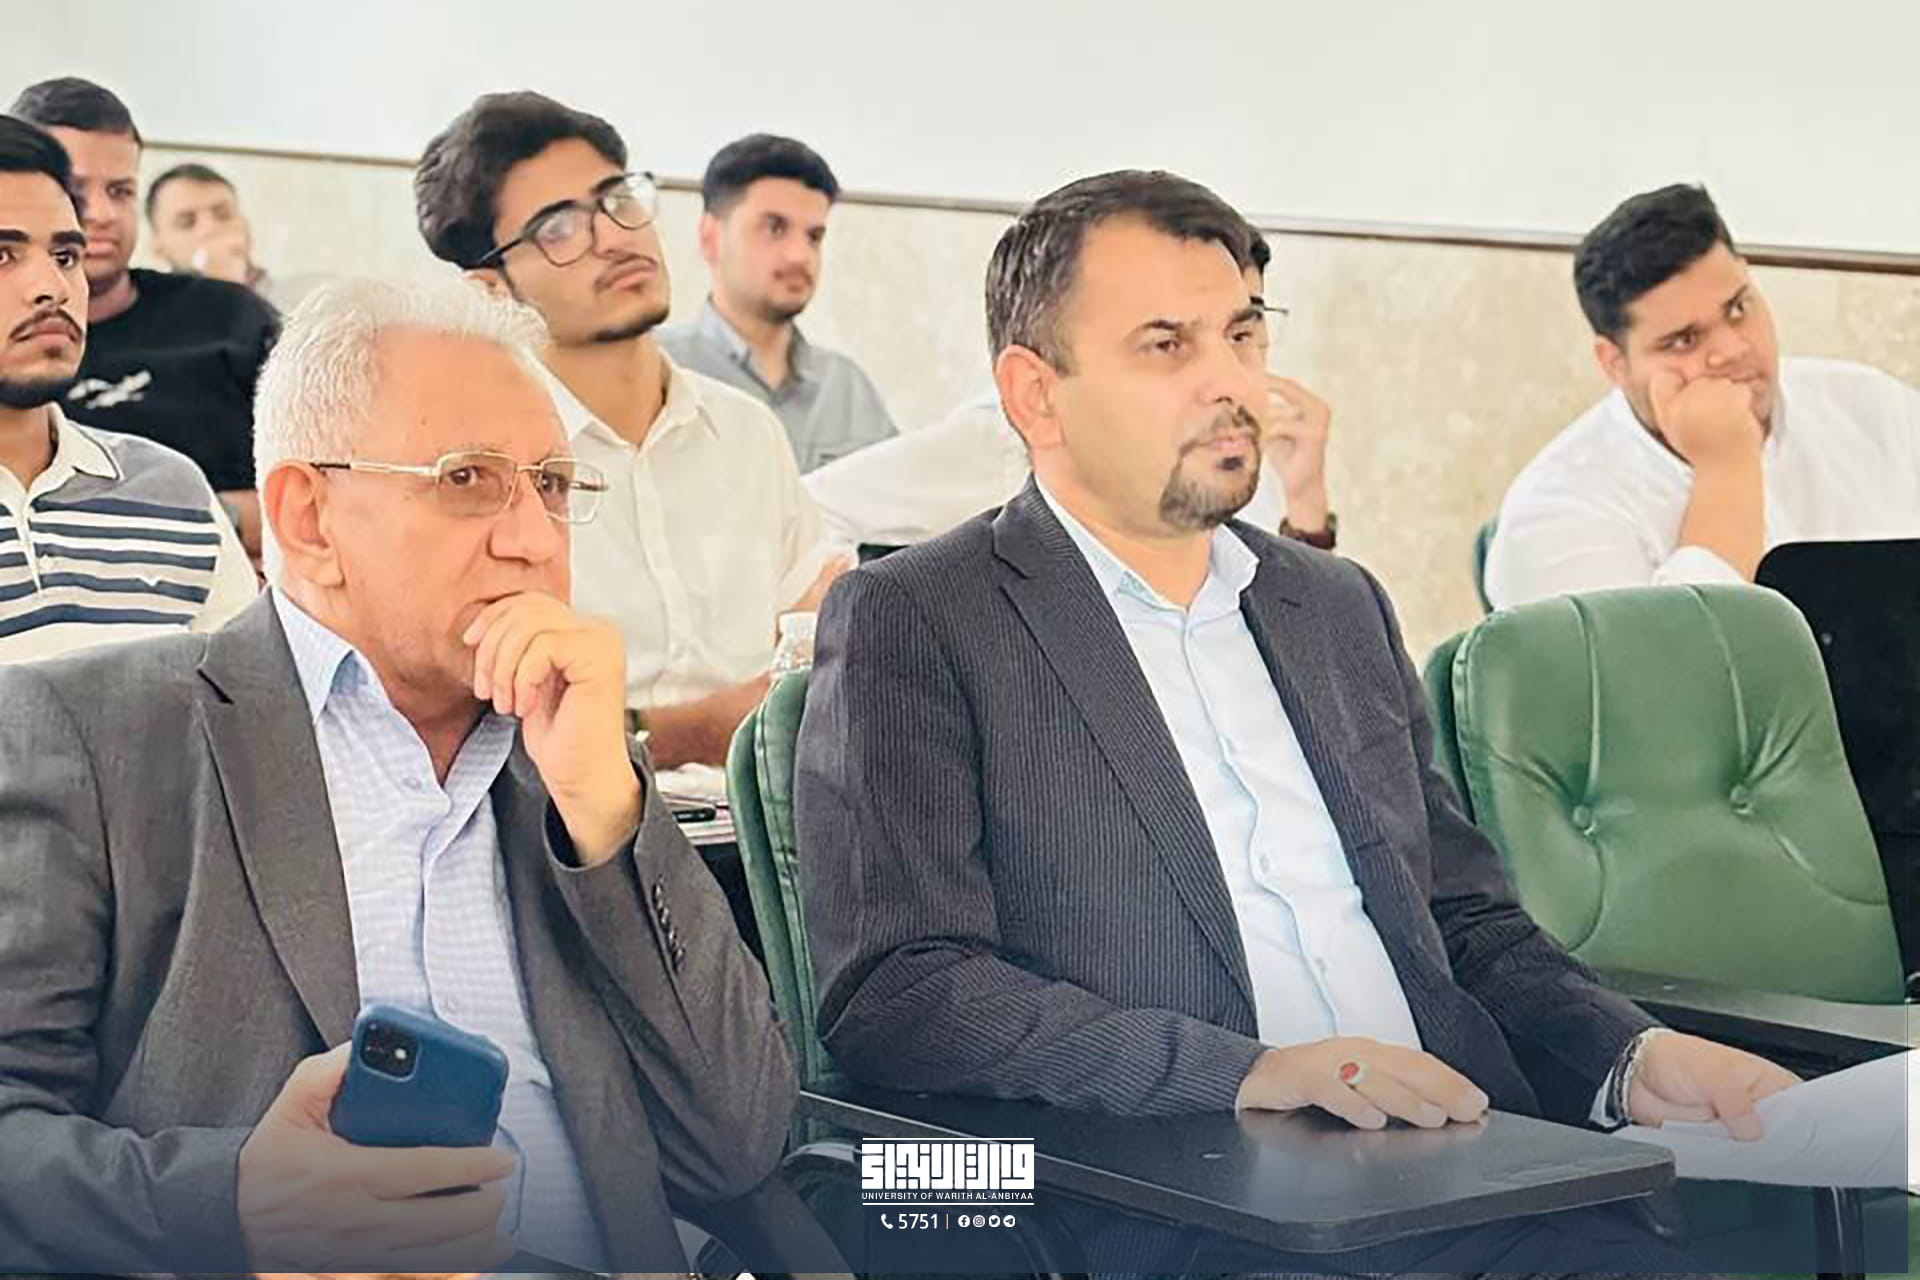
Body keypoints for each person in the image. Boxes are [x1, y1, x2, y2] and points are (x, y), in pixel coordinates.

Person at [794, 169, 1795, 1274]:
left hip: (1477, 1179)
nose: (1233, 382)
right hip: (1194, 1214)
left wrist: (1630, 1056)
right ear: (1036, 396)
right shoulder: (921, 617)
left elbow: (1463, 921)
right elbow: (902, 990)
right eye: (1167, 346)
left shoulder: (1334, 602)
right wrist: (1246, 1073)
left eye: (1243, 333)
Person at [0, 278, 795, 1274]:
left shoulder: (570, 754)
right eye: (468, 478)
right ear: (309, 518)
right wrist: (236, 1200)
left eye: (552, 485)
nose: (534, 539)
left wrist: (607, 809)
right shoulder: (94, 735)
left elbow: (738, 1142)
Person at [416, 93, 842, 769]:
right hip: (574, 824)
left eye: (618, 198)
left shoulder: (745, 431)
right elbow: (493, 725)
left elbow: (824, 656)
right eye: (558, 228)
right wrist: (699, 727)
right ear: (492, 288)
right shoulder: (479, 472)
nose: (615, 238)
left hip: (772, 815)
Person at [1485, 182, 1920, 609]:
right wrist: (1726, 466)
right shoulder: (1553, 514)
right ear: (1614, 362)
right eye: (1684, 340)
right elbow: (1673, 656)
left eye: (1737, 308)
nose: (1732, 350)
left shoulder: (1872, 405)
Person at [802, 226, 1339, 551]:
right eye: (1171, 341)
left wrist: (1305, 502)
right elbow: (814, 508)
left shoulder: (1238, 437)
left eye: (1242, 331)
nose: (1224, 371)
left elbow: (1289, 634)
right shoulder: (1011, 434)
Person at [0, 113, 253, 661]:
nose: (52, 287)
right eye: (2, 255)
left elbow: (250, 700)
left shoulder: (172, 490)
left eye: (65, 257)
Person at [10, 77, 277, 562]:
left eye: (120, 190)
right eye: (74, 190)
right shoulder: (20, 368)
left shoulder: (232, 316)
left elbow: (334, 484)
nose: (102, 213)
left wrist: (211, 519)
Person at [659, 133, 898, 471]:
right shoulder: (657, 371)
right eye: (774, 228)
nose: (800, 255)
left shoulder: (848, 389)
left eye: (814, 236)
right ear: (710, 237)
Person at [144, 160, 326, 312]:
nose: (210, 229)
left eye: (223, 215)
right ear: (157, 246)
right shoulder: (152, 316)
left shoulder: (311, 299)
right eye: (186, 222)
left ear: (246, 227)